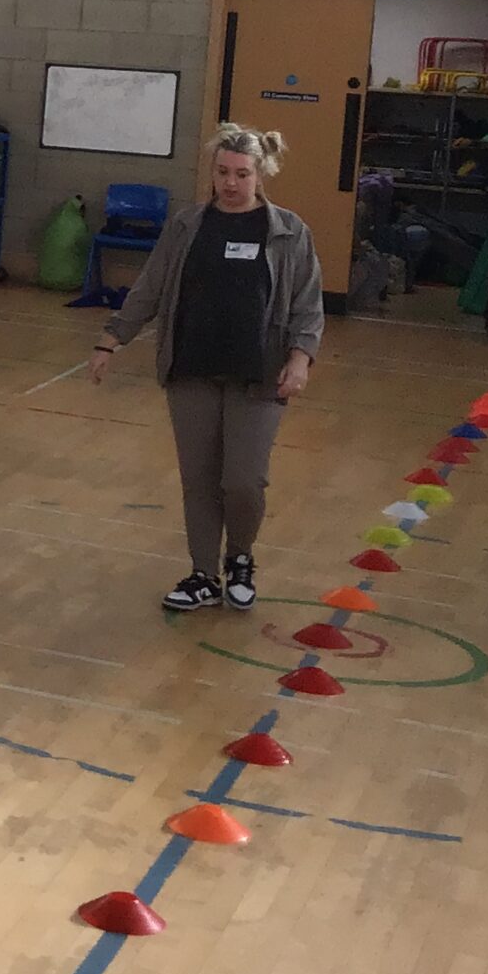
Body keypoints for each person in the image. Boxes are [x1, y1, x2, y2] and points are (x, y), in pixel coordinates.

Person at [90, 125, 325, 614]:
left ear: (260, 175)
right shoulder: (187, 226)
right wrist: (111, 339)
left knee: (243, 481)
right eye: (222, 172)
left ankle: (240, 559)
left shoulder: (288, 231)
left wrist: (300, 358)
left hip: (258, 374)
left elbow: (308, 304)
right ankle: (203, 574)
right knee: (198, 479)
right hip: (191, 367)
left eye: (242, 174)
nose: (230, 183)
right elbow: (151, 287)